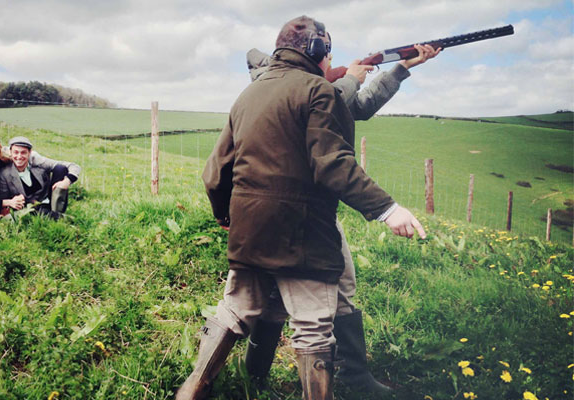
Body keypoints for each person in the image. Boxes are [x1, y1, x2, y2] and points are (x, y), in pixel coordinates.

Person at [177, 16, 426, 400]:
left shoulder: (249, 94)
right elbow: (333, 164)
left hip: (249, 228)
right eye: (327, 51)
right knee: (312, 327)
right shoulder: (317, 91)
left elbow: (215, 172)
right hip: (303, 231)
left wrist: (225, 216)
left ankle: (194, 386)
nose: (330, 59)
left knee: (235, 307)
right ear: (316, 51)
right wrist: (387, 209)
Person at [243, 44, 441, 396]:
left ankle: (255, 378)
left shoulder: (276, 86)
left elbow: (358, 107)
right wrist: (350, 77)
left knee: (273, 298)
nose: (328, 63)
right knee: (336, 287)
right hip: (303, 209)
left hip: (265, 214)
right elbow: (330, 105)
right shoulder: (294, 88)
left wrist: (400, 68)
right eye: (326, 55)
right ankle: (349, 376)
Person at [0, 136, 81, 219]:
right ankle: (59, 217)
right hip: (28, 207)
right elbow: (3, 199)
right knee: (36, 213)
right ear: (11, 152)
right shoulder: (4, 174)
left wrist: (67, 181)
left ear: (30, 152)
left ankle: (57, 211)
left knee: (60, 169)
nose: (19, 157)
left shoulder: (37, 162)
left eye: (23, 152)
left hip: (47, 200)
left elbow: (74, 166)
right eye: (16, 152)